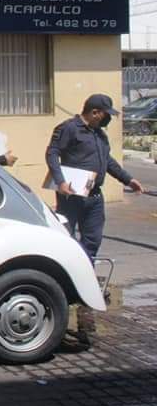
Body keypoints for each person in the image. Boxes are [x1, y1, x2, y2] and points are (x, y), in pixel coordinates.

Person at [45, 93, 144, 343]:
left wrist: (127, 178)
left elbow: (107, 161)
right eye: (107, 114)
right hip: (72, 196)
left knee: (92, 242)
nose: (108, 119)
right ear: (95, 112)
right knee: (68, 243)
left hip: (94, 197)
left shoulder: (100, 134)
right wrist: (60, 180)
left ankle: (83, 290)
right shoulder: (70, 128)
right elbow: (52, 153)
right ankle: (64, 289)